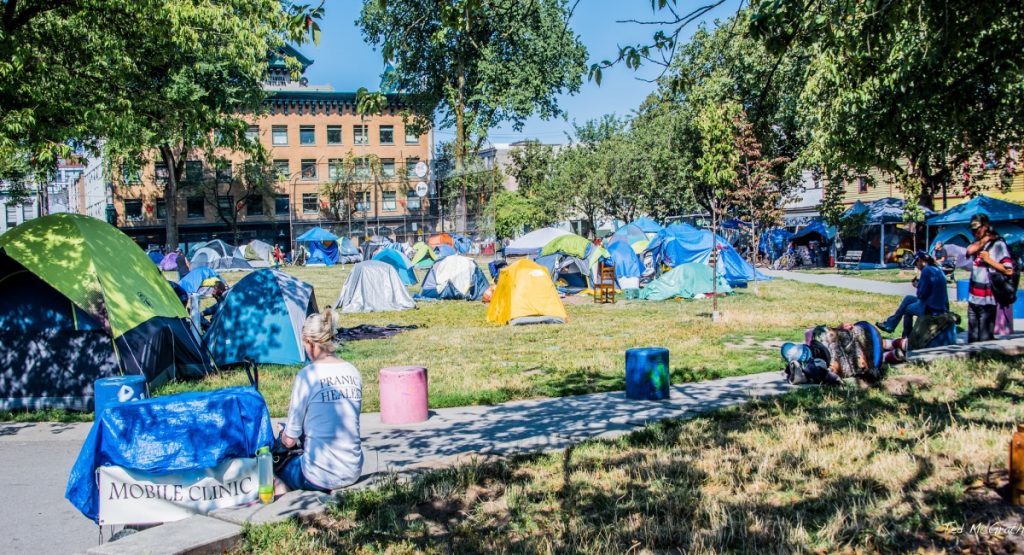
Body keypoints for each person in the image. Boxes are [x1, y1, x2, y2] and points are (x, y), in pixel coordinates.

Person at [277, 309, 363, 493]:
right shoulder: (352, 371)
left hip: (319, 474)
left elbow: (290, 440)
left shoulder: (307, 376)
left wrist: (283, 433)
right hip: (352, 470)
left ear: (310, 343)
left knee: (276, 467)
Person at [966, 214, 1015, 342]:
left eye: (977, 229)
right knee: (972, 340)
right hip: (973, 299)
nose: (974, 232)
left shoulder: (998, 244)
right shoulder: (977, 243)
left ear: (986, 226)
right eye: (972, 229)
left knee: (984, 342)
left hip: (988, 301)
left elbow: (1009, 270)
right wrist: (985, 239)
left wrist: (989, 260)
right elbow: (969, 251)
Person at [876, 251, 949, 335]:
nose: (916, 266)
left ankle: (906, 336)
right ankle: (890, 325)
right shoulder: (937, 269)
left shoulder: (926, 271)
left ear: (921, 261)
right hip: (941, 307)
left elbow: (921, 295)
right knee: (908, 298)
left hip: (931, 309)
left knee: (908, 309)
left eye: (916, 263)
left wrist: (917, 285)